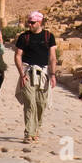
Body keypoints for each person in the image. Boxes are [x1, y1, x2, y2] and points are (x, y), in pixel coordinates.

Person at [14, 10, 56, 143]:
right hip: (28, 73)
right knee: (29, 103)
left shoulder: (49, 36)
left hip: (42, 75)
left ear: (40, 22)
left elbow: (53, 57)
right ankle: (28, 133)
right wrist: (21, 74)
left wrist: (53, 74)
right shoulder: (23, 37)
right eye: (28, 23)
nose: (29, 25)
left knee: (40, 104)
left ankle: (36, 130)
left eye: (32, 23)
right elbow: (18, 56)